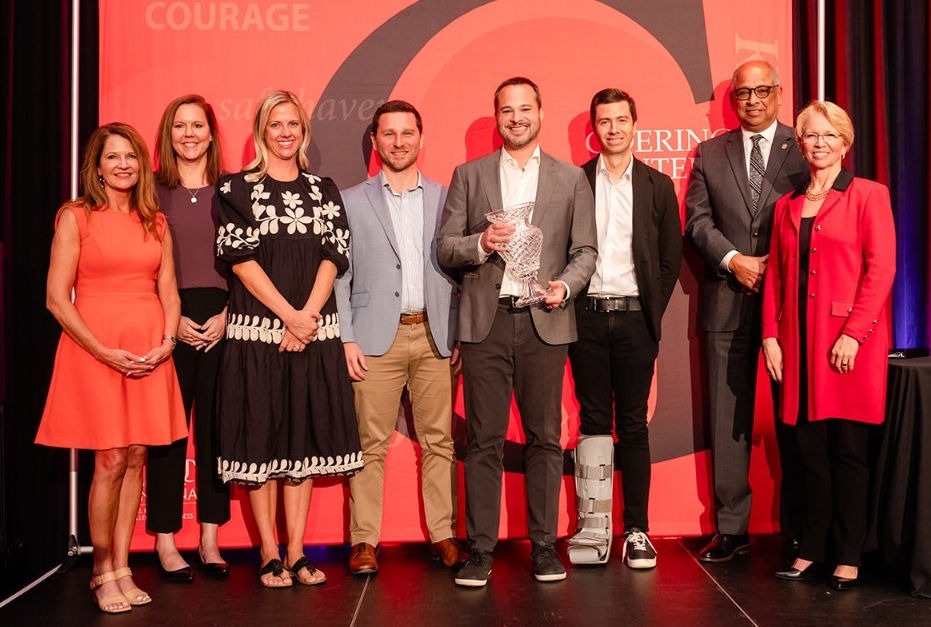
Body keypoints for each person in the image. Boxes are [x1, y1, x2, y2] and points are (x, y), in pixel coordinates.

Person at [437, 77, 597, 587]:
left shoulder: (570, 179)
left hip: (544, 321)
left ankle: (544, 546)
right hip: (486, 322)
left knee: (545, 439)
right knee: (482, 440)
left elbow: (585, 252)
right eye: (507, 110)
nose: (516, 118)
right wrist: (481, 242)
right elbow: (445, 248)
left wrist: (566, 287)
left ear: (541, 114)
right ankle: (480, 550)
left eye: (525, 109)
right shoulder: (470, 175)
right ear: (497, 117)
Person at [36, 123, 188, 613]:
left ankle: (123, 565)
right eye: (113, 157)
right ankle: (101, 570)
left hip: (149, 351)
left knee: (138, 455)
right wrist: (103, 351)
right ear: (96, 167)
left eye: (132, 157)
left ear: (142, 166)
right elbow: (57, 300)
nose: (123, 164)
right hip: (95, 350)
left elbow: (169, 291)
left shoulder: (156, 223)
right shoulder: (75, 217)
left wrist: (167, 341)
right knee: (109, 459)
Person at [214, 90, 362, 588]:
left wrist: (308, 316)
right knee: (263, 441)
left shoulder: (324, 189)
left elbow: (333, 255)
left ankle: (298, 551)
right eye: (275, 124)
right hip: (259, 334)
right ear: (261, 131)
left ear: (304, 131)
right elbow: (241, 260)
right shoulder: (235, 188)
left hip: (314, 330)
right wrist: (288, 317)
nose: (284, 133)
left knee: (299, 443)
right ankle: (269, 554)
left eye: (293, 124)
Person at [764, 101, 896, 590]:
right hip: (798, 346)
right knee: (809, 455)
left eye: (827, 136)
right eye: (810, 137)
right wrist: (770, 336)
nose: (818, 144)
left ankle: (849, 553)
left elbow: (881, 270)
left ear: (845, 142)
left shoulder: (868, 195)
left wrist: (854, 333)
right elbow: (776, 275)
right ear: (800, 145)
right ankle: (812, 549)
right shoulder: (787, 205)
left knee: (848, 454)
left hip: (847, 348)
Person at [335, 100, 466, 575]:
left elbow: (458, 274)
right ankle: (364, 541)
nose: (398, 142)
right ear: (375, 141)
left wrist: (457, 335)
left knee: (440, 443)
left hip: (433, 337)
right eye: (388, 134)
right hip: (374, 340)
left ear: (421, 138)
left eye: (407, 133)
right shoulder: (351, 201)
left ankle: (444, 535)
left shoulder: (446, 197)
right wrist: (347, 337)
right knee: (370, 445)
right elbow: (339, 278)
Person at [685, 59, 807, 562]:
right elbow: (696, 220)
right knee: (726, 419)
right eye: (743, 93)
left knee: (796, 418)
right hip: (727, 299)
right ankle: (731, 528)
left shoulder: (805, 149)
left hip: (793, 306)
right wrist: (734, 261)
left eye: (762, 90)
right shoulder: (710, 153)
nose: (753, 100)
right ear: (731, 100)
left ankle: (802, 527)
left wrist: (774, 270)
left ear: (779, 94)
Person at [567, 89, 682, 569]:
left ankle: (637, 530)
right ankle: (595, 529)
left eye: (621, 120)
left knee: (632, 424)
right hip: (586, 316)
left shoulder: (657, 185)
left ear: (635, 123)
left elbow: (669, 258)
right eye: (604, 121)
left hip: (636, 319)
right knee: (593, 423)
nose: (612, 128)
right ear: (595, 129)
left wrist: (650, 311)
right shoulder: (576, 183)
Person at [146, 95, 231, 581]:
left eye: (197, 125)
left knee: (217, 431)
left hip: (223, 317)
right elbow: (142, 264)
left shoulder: (234, 189)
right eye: (180, 125)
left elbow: (247, 264)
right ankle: (164, 539)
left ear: (211, 133)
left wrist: (227, 313)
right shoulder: (152, 191)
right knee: (169, 434)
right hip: (168, 318)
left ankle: (211, 538)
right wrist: (169, 317)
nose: (189, 133)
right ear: (168, 134)